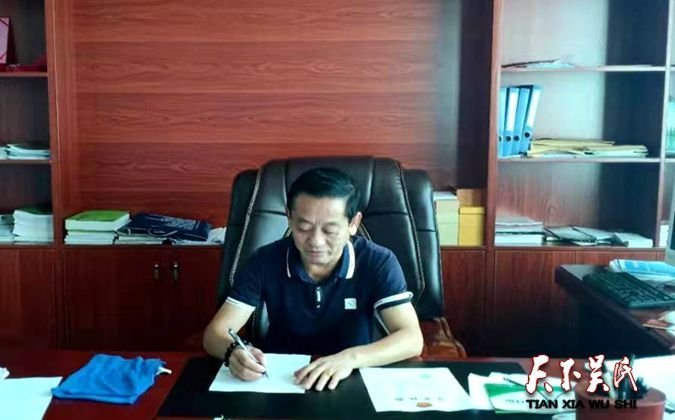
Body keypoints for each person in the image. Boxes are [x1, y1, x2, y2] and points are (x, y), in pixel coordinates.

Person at [203, 167, 423, 391]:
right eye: (303, 228)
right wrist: (233, 352)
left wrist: (349, 359)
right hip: (280, 380)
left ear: (353, 223)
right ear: (289, 218)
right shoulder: (264, 260)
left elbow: (412, 339)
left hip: (351, 378)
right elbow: (215, 334)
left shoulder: (377, 261)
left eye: (330, 230)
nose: (316, 241)